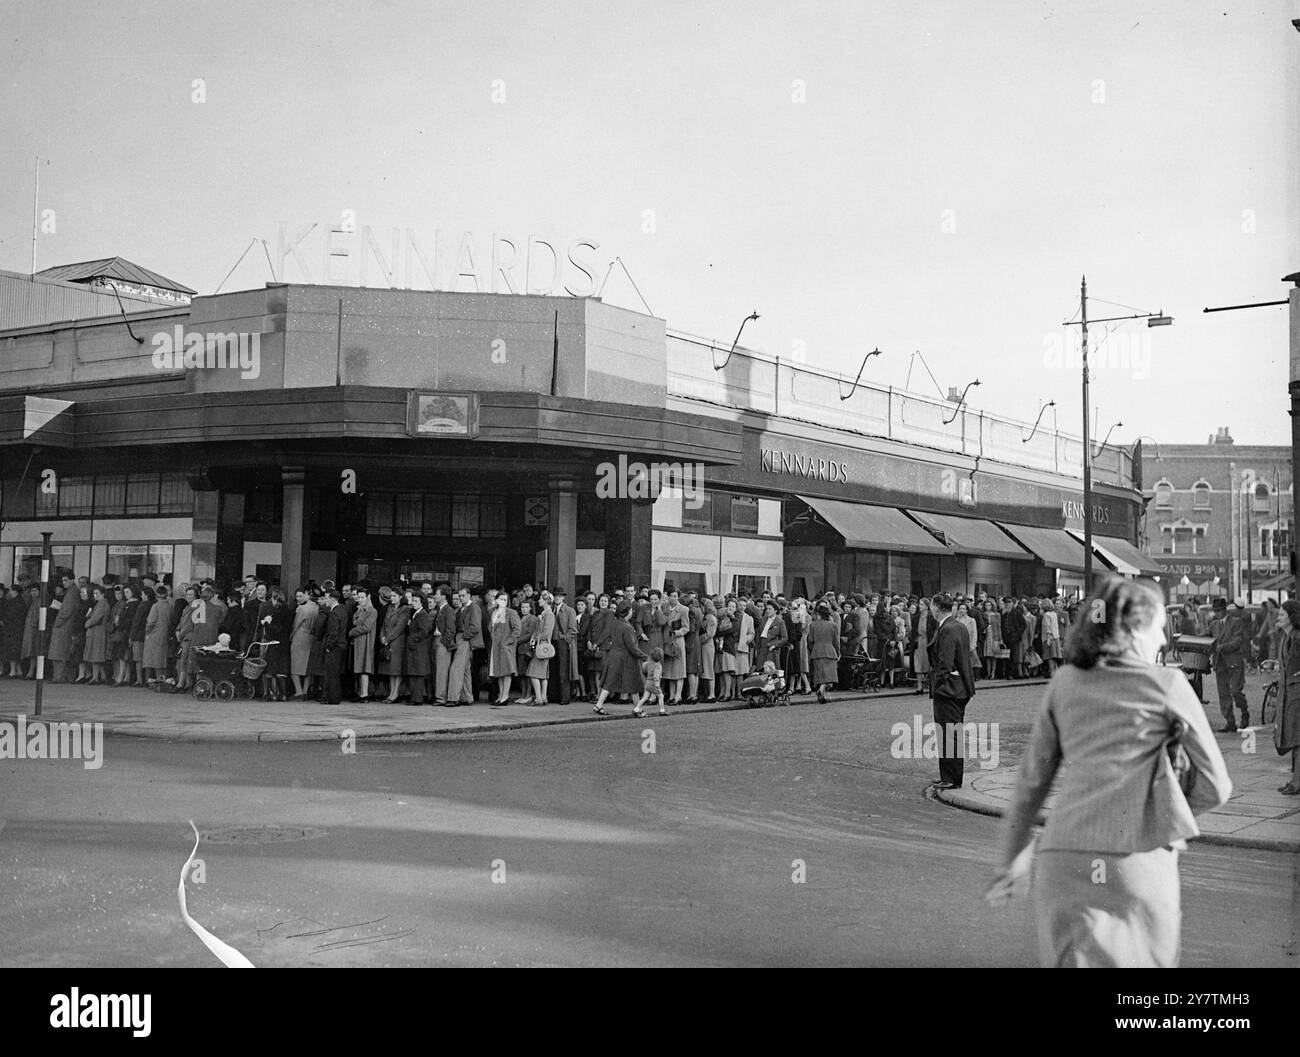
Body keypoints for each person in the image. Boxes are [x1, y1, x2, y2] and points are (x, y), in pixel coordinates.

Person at [987, 576, 1232, 967]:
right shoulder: (1167, 683)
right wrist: (1161, 813)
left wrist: (1012, 860)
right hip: (1136, 858)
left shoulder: (1064, 682)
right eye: (1159, 627)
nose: (1164, 640)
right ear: (1136, 628)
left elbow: (1030, 785)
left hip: (1063, 857)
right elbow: (1217, 784)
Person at [928, 593, 975, 790]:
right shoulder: (959, 626)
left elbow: (944, 664)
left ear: (937, 607)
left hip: (948, 689)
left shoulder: (946, 629)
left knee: (947, 733)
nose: (930, 609)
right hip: (960, 687)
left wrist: (936, 686)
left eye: (931, 606)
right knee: (951, 733)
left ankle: (951, 778)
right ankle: (950, 776)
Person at [592, 602, 648, 714]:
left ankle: (599, 705)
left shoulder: (615, 623)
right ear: (627, 612)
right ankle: (638, 708)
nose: (632, 612)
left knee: (609, 682)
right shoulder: (627, 627)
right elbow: (632, 647)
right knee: (633, 683)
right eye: (631, 610)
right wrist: (645, 656)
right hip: (627, 658)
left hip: (614, 655)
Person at [1271, 599, 1300, 795]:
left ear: (1291, 617)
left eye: (1282, 614)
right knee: (1294, 738)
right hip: (1289, 696)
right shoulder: (1286, 636)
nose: (1278, 617)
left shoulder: (1298, 638)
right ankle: (1295, 779)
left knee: (1298, 739)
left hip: (1297, 695)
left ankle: (1297, 782)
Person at [1210, 597, 1250, 732]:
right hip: (1219, 663)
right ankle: (1230, 722)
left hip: (1234, 662)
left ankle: (1244, 711)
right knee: (1223, 694)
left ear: (1225, 610)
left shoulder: (1236, 622)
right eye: (1215, 611)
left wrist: (1222, 647)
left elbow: (1238, 641)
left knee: (1235, 691)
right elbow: (1206, 637)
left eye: (1219, 610)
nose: (1217, 613)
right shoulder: (1213, 624)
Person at [379, 587, 412, 703]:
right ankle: (391, 692)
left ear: (400, 597)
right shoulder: (390, 608)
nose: (392, 598)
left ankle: (395, 693)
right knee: (390, 669)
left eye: (394, 596)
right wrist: (382, 637)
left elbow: (399, 627)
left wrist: (387, 639)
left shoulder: (405, 609)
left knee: (396, 669)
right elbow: (384, 624)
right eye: (391, 596)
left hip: (398, 641)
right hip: (388, 640)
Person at [487, 591, 521, 705]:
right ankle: (500, 696)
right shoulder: (493, 612)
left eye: (505, 600)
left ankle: (505, 696)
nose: (503, 602)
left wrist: (508, 642)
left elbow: (517, 630)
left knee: (506, 672)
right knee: (499, 672)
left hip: (506, 647)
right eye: (501, 599)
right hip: (495, 647)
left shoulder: (511, 613)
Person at [526, 591, 557, 707]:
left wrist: (535, 637)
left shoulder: (549, 615)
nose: (538, 601)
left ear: (545, 601)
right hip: (543, 646)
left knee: (533, 672)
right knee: (543, 674)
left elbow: (546, 631)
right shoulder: (545, 614)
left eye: (540, 599)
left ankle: (539, 698)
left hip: (543, 646)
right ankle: (543, 697)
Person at [404, 593, 435, 706]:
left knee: (418, 673)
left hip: (418, 647)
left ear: (422, 603)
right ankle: (414, 697)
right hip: (415, 647)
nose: (413, 603)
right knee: (414, 672)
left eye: (416, 601)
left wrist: (412, 638)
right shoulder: (416, 614)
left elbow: (424, 631)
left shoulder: (422, 614)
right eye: (413, 600)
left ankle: (417, 698)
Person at [290, 588, 319, 699]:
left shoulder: (302, 609)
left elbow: (296, 625)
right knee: (307, 665)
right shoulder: (317, 608)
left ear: (307, 595)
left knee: (295, 665)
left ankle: (299, 691)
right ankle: (306, 690)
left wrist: (291, 637)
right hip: (311, 637)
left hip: (300, 636)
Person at [808, 602, 840, 703]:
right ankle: (822, 690)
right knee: (829, 675)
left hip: (817, 651)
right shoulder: (832, 625)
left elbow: (810, 640)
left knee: (820, 675)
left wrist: (813, 649)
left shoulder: (813, 625)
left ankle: (823, 694)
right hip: (830, 651)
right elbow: (836, 641)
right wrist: (838, 652)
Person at [348, 587, 377, 702]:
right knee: (359, 668)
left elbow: (366, 627)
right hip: (358, 642)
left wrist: (352, 632)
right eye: (358, 597)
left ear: (368, 597)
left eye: (362, 597)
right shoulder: (358, 610)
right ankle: (361, 692)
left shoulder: (372, 611)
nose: (360, 599)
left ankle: (364, 694)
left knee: (364, 667)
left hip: (366, 641)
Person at [321, 591, 349, 704]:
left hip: (335, 645)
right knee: (336, 672)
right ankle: (335, 697)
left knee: (331, 673)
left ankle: (333, 698)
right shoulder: (343, 611)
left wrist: (329, 645)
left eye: (327, 598)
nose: (325, 601)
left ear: (332, 599)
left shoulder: (334, 613)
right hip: (342, 644)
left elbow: (333, 631)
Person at [635, 647, 666, 718]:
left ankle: (636, 709)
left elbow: (644, 669)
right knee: (661, 696)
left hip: (647, 682)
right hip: (653, 683)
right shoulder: (658, 665)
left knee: (645, 697)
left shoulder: (648, 663)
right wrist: (657, 684)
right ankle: (662, 710)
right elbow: (656, 676)